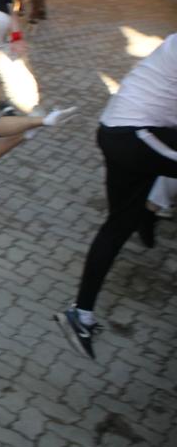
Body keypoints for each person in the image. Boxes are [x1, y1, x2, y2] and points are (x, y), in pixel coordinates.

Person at [56, 34, 177, 361]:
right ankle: (150, 210)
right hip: (134, 135)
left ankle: (80, 315)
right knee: (118, 224)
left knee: (118, 225)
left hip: (120, 131)